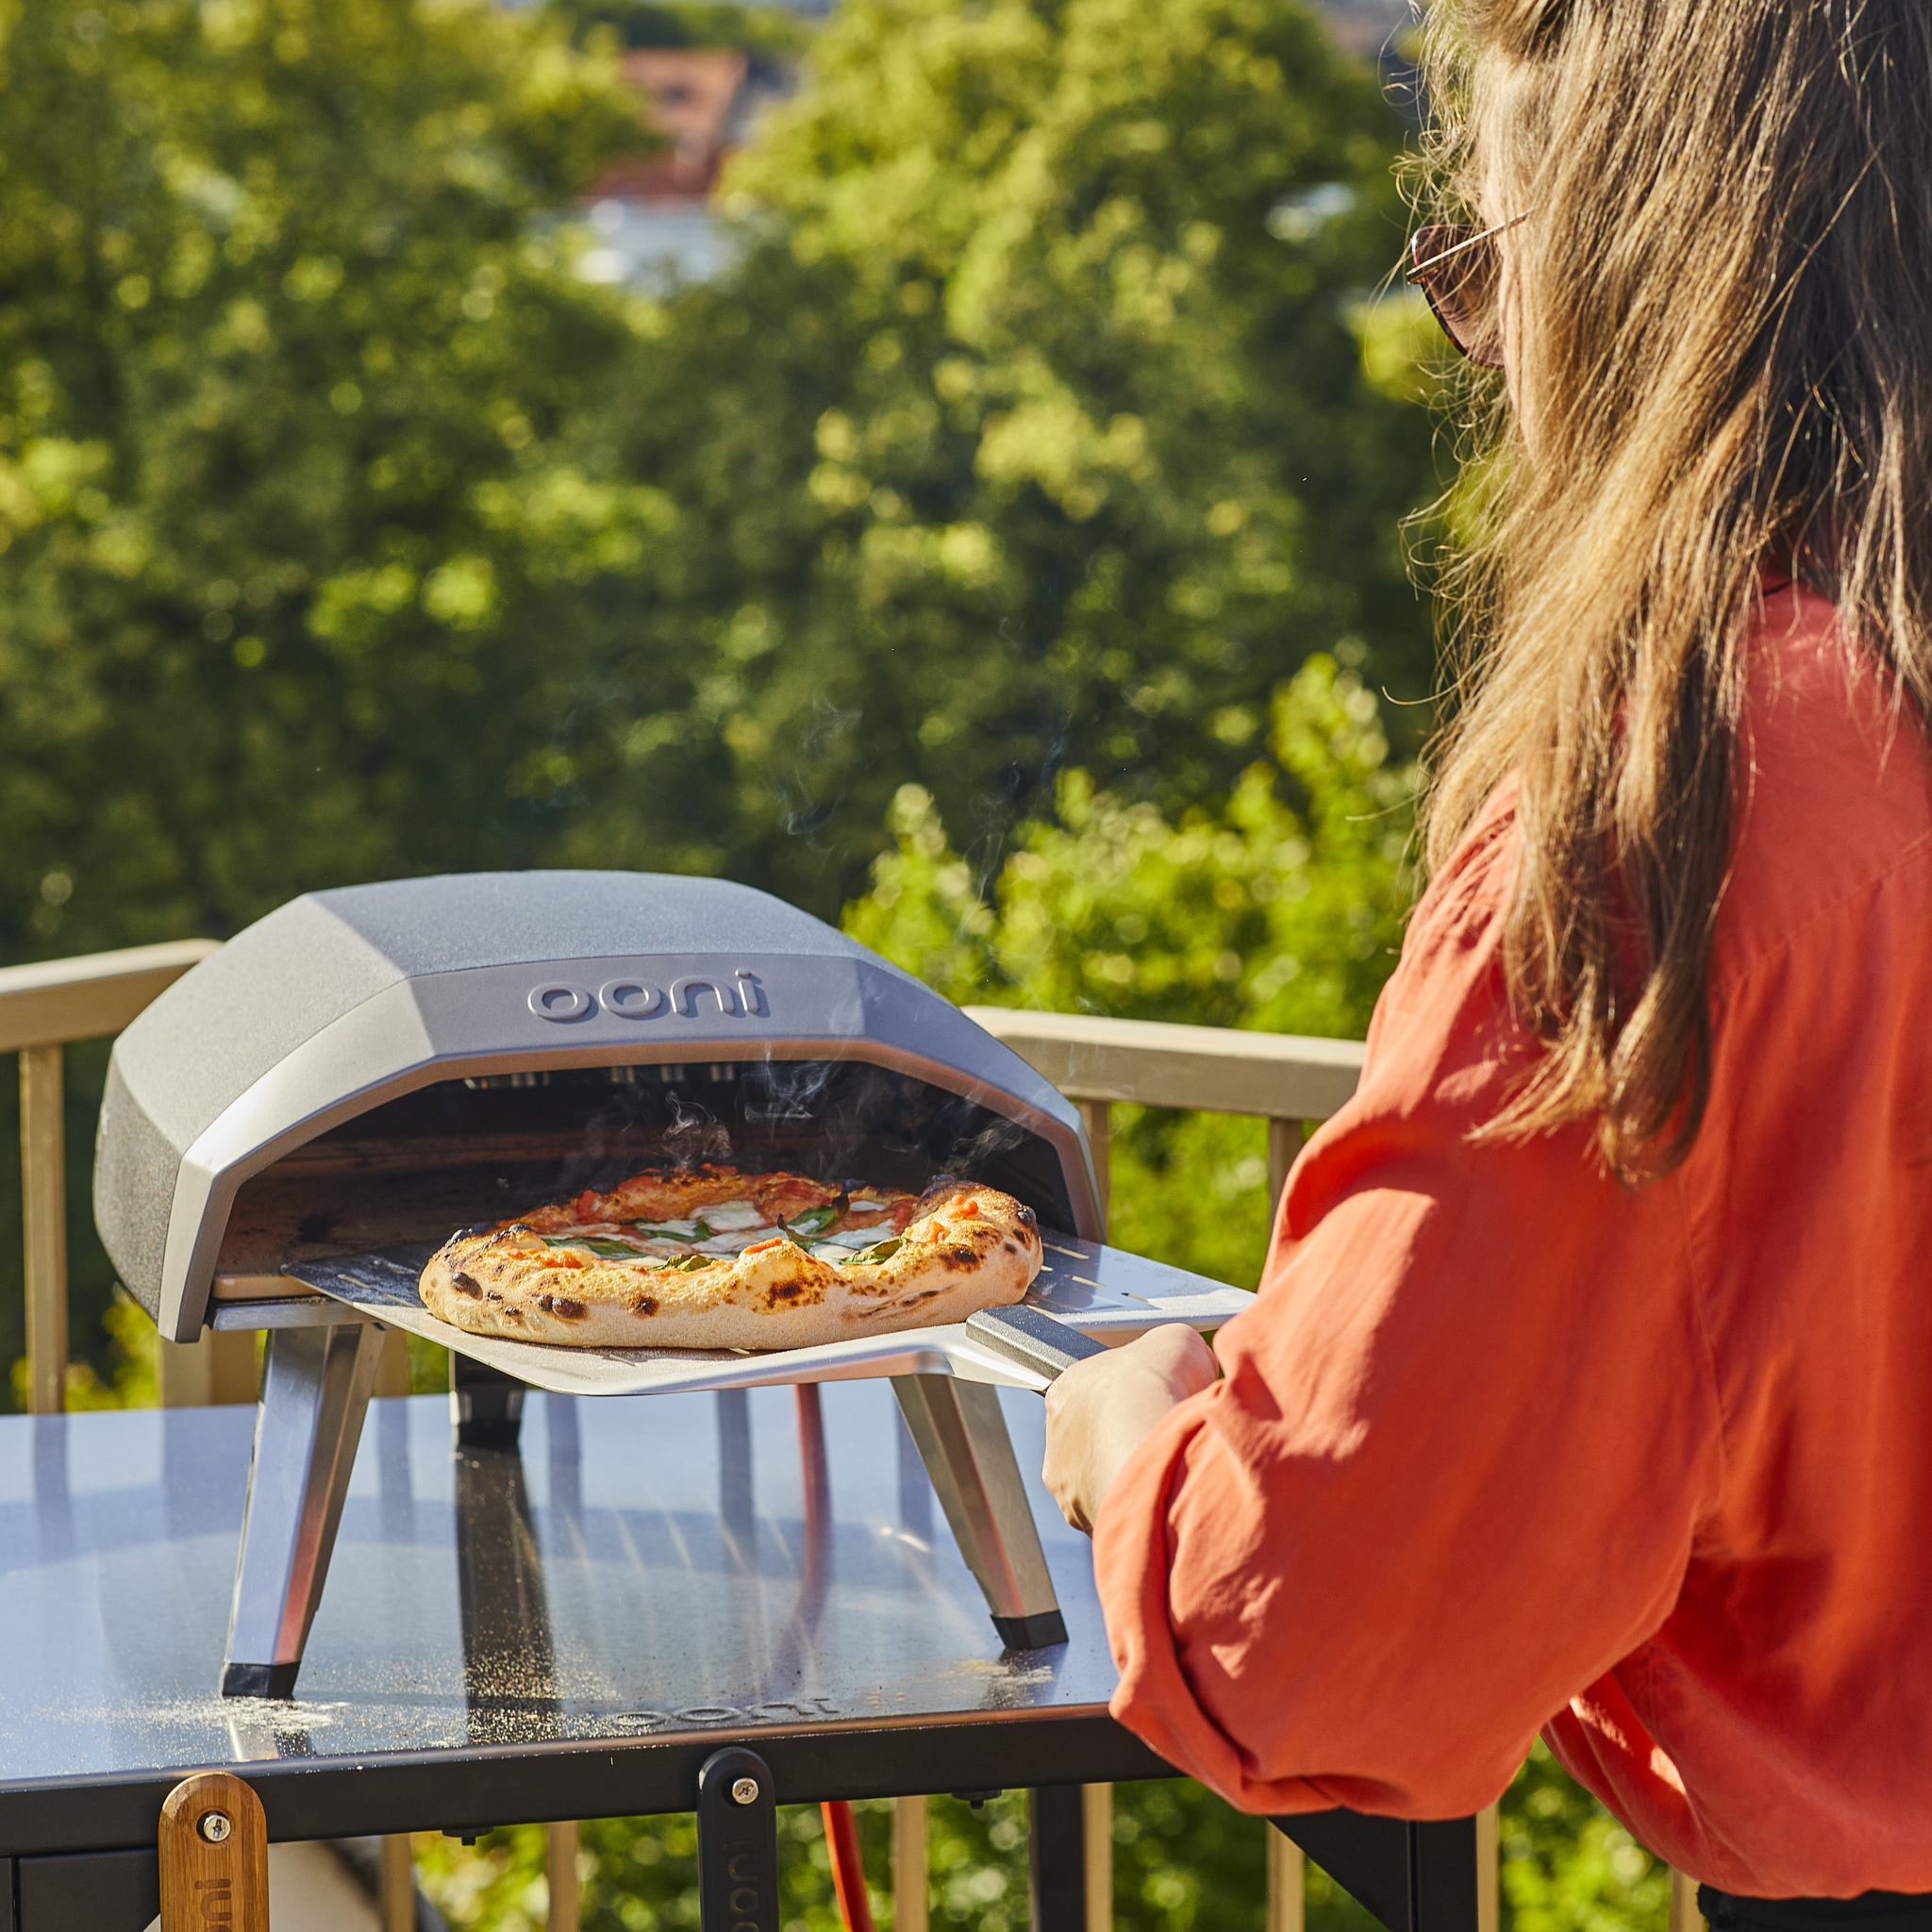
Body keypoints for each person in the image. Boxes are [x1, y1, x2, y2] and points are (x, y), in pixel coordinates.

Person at [1041, 0, 1932, 1918]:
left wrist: (1132, 1440)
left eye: (1482, 267)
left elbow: (1313, 1635)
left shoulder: (1683, 810)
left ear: (1643, 263)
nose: (1494, 355)